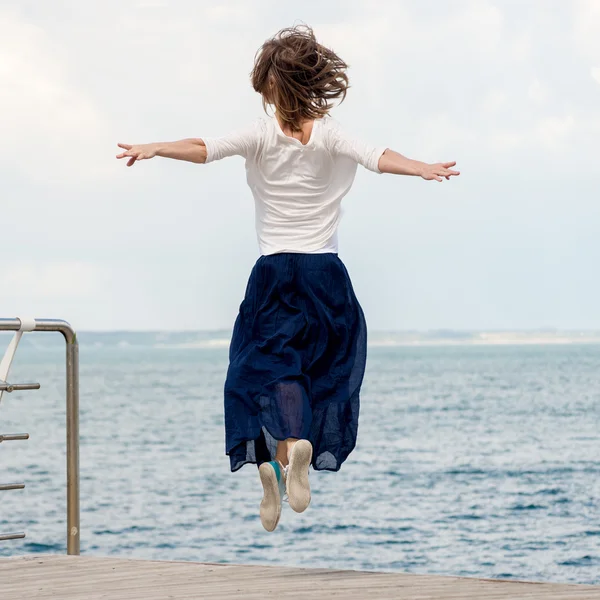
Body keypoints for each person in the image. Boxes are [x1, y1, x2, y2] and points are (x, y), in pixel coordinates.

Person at [116, 25, 459, 532]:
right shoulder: (334, 134)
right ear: (313, 83)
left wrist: (156, 147)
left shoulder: (258, 134)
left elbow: (202, 146)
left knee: (266, 374)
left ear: (270, 87)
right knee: (323, 374)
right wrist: (422, 167)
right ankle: (290, 458)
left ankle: (279, 458)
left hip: (275, 273)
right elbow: (380, 158)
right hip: (327, 277)